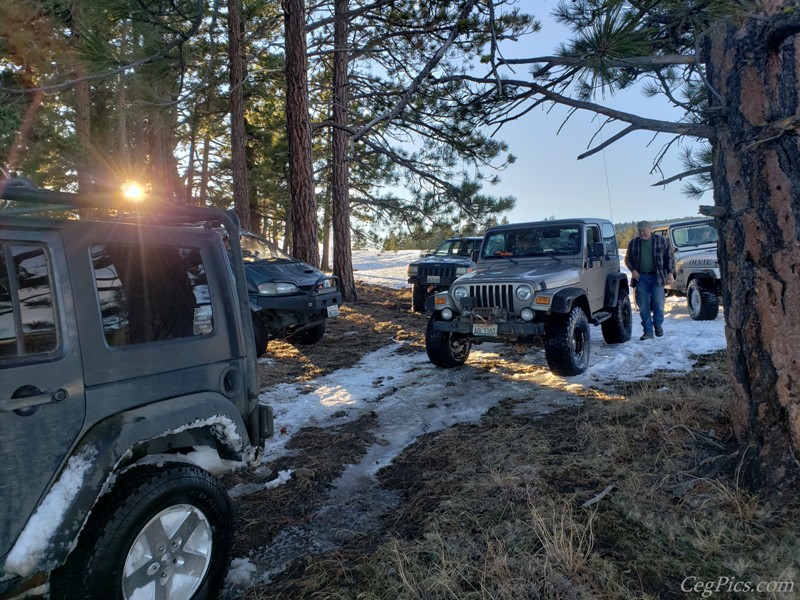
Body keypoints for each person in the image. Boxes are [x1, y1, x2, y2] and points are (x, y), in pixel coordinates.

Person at [625, 220, 675, 340]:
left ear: (650, 229)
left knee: (658, 303)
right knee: (643, 306)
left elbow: (669, 257)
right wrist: (633, 270)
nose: (642, 233)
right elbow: (628, 259)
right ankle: (647, 331)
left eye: (644, 230)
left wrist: (670, 273)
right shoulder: (634, 243)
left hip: (657, 276)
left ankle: (657, 325)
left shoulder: (660, 240)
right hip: (641, 277)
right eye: (640, 231)